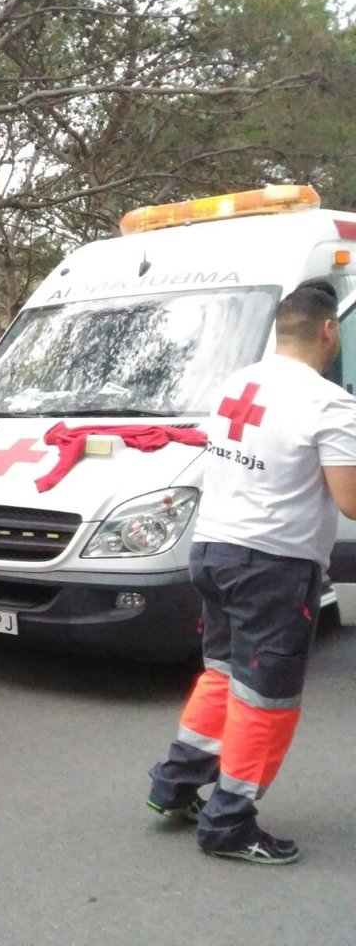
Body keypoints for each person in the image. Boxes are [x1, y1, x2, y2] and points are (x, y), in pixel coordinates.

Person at [146, 283, 356, 865]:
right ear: (329, 331)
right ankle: (229, 823)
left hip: (214, 551)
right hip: (274, 565)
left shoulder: (236, 385)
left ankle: (175, 785)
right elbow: (351, 501)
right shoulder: (330, 403)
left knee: (222, 676)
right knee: (267, 699)